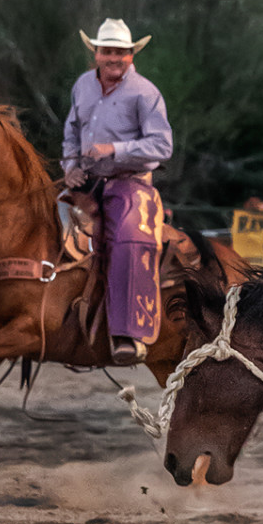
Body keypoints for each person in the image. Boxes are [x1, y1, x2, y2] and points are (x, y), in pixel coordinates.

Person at [62, 18, 173, 365]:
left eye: (121, 52)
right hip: (87, 180)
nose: (113, 58)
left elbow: (162, 145)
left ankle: (129, 334)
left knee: (128, 237)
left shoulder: (145, 92)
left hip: (130, 181)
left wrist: (115, 150)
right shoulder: (82, 86)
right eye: (107, 51)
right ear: (95, 53)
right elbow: (71, 131)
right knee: (39, 218)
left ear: (131, 56)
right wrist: (69, 168)